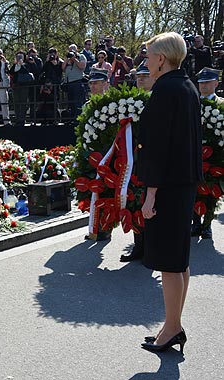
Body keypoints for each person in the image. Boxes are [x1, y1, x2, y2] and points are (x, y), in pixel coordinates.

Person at [137, 32, 202, 353]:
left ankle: (172, 328)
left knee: (170, 263)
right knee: (179, 261)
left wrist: (150, 195)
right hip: (184, 184)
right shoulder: (187, 86)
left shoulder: (165, 90)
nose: (146, 61)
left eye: (149, 56)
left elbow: (158, 149)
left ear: (161, 59)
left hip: (167, 187)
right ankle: (171, 325)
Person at [119, 61, 155, 263]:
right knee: (133, 201)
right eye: (138, 77)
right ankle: (139, 245)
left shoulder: (159, 99)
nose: (141, 80)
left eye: (145, 76)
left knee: (150, 203)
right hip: (132, 161)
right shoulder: (129, 102)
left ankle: (152, 247)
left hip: (151, 159)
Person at [191, 67, 223, 239]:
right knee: (194, 189)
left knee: (212, 189)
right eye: (201, 83)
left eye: (207, 82)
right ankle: (195, 222)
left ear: (216, 83)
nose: (203, 86)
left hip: (216, 154)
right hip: (195, 153)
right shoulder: (192, 102)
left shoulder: (221, 104)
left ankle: (207, 224)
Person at [61, 44, 87, 118]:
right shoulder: (67, 58)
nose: (71, 51)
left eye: (73, 50)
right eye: (70, 50)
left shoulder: (81, 56)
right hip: (68, 83)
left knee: (78, 103)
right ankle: (72, 118)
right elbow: (63, 68)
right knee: (70, 102)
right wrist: (66, 59)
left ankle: (78, 119)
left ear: (76, 50)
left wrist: (74, 59)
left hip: (77, 82)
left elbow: (82, 66)